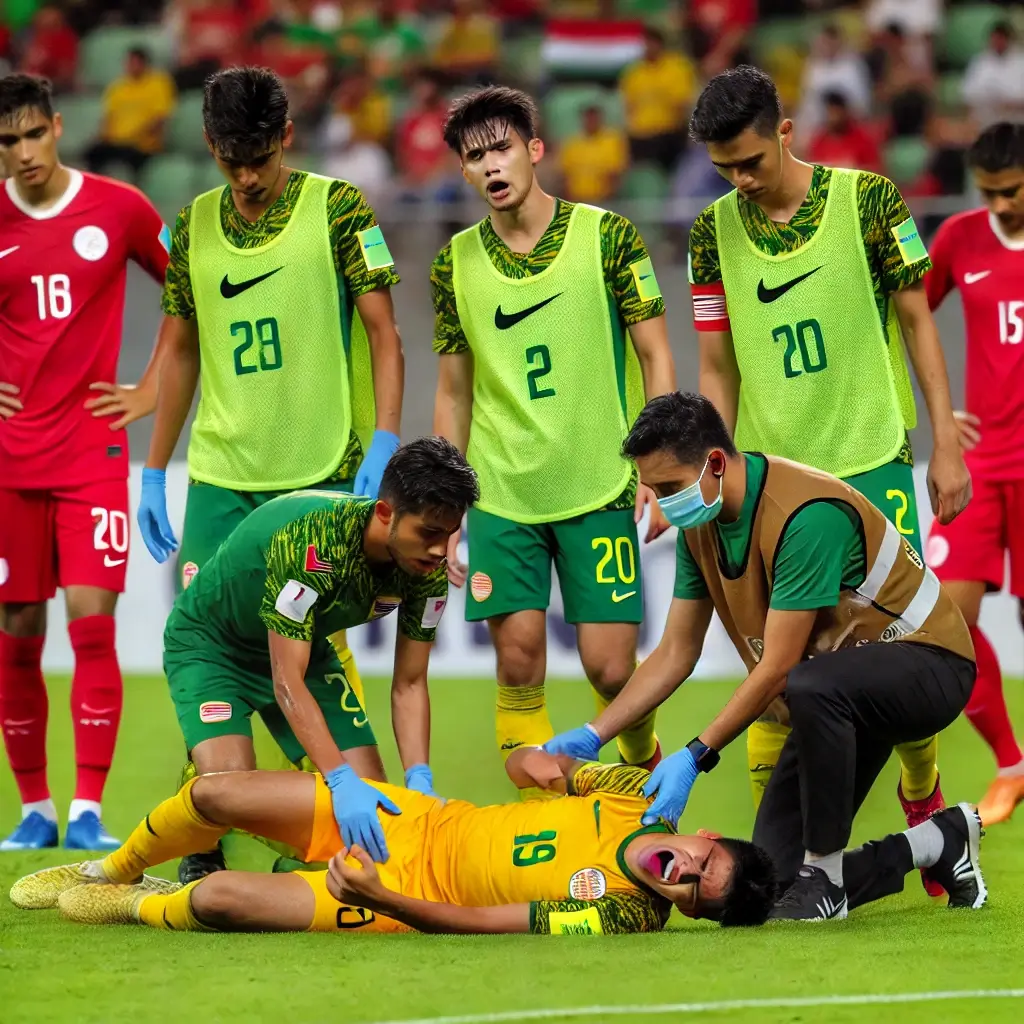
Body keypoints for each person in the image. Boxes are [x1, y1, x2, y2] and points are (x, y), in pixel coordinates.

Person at [684, 66, 972, 881]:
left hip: (872, 462)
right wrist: (709, 471)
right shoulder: (712, 231)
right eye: (723, 169)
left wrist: (944, 440)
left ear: (784, 132)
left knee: (901, 653)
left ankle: (925, 804)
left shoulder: (870, 201)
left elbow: (918, 322)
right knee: (777, 668)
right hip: (773, 485)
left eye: (749, 161)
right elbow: (717, 366)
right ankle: (777, 857)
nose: (739, 181)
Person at [547, 393, 977, 922]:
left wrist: (695, 755)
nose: (660, 503)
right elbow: (675, 652)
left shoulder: (805, 516)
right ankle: (940, 842)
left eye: (668, 488)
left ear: (716, 463)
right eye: (652, 489)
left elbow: (778, 667)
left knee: (808, 684)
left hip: (930, 665)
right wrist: (594, 735)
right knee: (762, 883)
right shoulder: (699, 528)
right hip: (844, 692)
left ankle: (823, 874)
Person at [136, 66, 405, 881]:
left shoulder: (339, 208)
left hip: (318, 474)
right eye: (230, 160)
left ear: (287, 136)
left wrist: (386, 443)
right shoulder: (191, 226)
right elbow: (180, 349)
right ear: (211, 148)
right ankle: (206, 830)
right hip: (221, 478)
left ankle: (318, 819)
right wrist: (157, 469)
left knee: (303, 645)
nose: (247, 178)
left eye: (258, 157)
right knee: (210, 639)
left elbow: (386, 336)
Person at [12, 747, 987, 934]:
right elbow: (525, 766)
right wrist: (565, 758)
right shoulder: (632, 806)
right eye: (702, 858)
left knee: (221, 898)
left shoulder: (619, 919)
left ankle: (130, 903)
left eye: (693, 887)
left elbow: (486, 923)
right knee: (217, 792)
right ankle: (108, 860)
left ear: (679, 905)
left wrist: (385, 899)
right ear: (697, 831)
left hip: (396, 897)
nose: (683, 870)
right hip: (416, 819)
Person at [430, 86, 677, 785]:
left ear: (535, 150)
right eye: (475, 157)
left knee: (608, 668)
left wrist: (661, 473)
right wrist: (445, 506)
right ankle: (540, 819)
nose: (491, 166)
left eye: (502, 148)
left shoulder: (610, 238)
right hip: (503, 491)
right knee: (517, 661)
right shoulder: (453, 264)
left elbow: (658, 356)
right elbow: (453, 391)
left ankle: (639, 765)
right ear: (465, 172)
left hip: (598, 483)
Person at [159, 438, 477, 871]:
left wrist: (418, 777)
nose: (440, 550)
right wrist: (340, 780)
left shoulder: (426, 573)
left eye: (450, 534)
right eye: (428, 532)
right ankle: (203, 817)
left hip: (302, 646)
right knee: (227, 788)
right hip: (211, 646)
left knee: (381, 815)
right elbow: (285, 681)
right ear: (385, 513)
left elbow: (410, 683)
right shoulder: (315, 544)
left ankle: (297, 864)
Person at [0, 74, 170, 852]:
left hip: (93, 450)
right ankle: (34, 808)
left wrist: (153, 386)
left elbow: (191, 293)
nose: (24, 154)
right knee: (17, 634)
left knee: (92, 627)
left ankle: (88, 809)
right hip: (9, 459)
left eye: (34, 135)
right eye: (8, 143)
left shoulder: (121, 208)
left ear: (58, 127)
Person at [924, 122, 1024, 825]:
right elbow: (902, 316)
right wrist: (936, 412)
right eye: (989, 194)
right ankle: (1012, 766)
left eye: (1013, 192)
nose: (1001, 207)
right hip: (982, 462)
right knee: (948, 620)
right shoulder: (960, 237)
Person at [83, 47, 176, 182]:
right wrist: (103, 136)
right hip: (117, 143)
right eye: (128, 62)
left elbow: (160, 119)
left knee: (132, 159)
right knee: (92, 153)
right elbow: (108, 118)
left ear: (144, 63)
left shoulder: (159, 83)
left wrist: (138, 136)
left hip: (142, 145)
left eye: (134, 62)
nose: (130, 66)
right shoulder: (117, 87)